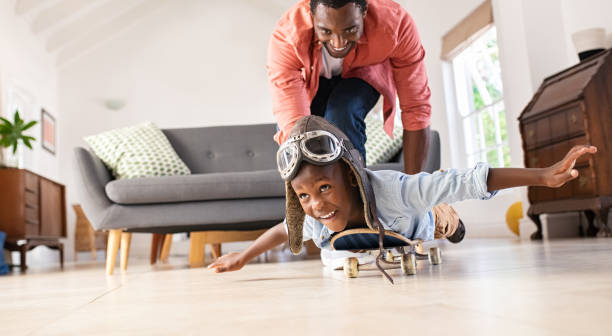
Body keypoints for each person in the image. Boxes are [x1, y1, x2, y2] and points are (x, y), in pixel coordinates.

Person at [209, 116, 598, 281]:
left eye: (324, 188)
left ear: (349, 175)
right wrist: (243, 256)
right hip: (372, 238)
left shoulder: (393, 191)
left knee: (440, 217)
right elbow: (283, 230)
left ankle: (453, 223)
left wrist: (544, 176)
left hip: (421, 219)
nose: (317, 204)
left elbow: (462, 180)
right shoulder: (315, 215)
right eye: (304, 196)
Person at [267, 0, 431, 174]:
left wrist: (414, 190)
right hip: (310, 82)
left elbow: (416, 107)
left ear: (364, 14)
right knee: (302, 134)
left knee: (342, 112)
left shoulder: (396, 26)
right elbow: (294, 126)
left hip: (362, 75)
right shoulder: (287, 36)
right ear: (312, 18)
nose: (338, 43)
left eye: (350, 30)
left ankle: (360, 195)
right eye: (326, 31)